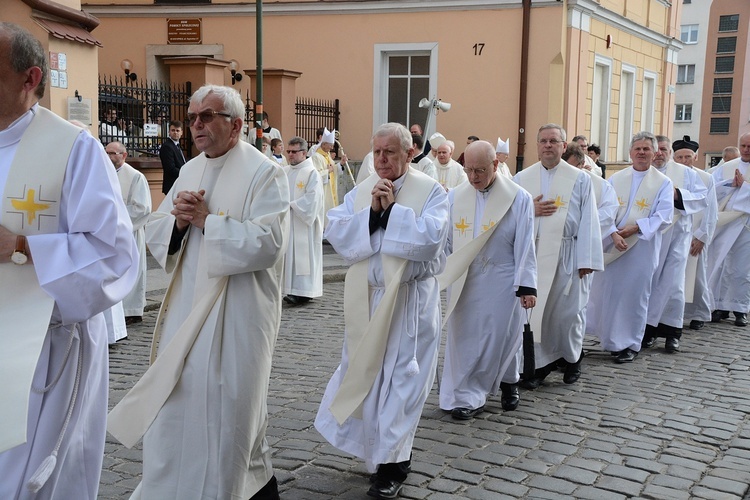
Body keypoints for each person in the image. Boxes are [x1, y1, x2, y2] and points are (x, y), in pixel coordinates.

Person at [107, 84, 289, 499]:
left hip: (238, 315)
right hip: (189, 311)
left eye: (206, 116)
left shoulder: (265, 173)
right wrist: (180, 223)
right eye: (192, 117)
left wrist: (209, 221)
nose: (196, 125)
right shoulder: (189, 170)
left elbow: (269, 243)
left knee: (233, 414)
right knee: (178, 406)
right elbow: (157, 227)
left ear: (237, 124)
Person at [0, 22, 138, 498]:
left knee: (39, 479)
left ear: (29, 78)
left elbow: (114, 253)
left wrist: (22, 247)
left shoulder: (72, 149)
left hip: (46, 346)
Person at [315, 123, 449, 499]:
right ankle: (380, 453)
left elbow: (430, 241)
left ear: (409, 154)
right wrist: (371, 214)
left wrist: (391, 213)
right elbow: (337, 230)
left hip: (409, 305)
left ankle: (392, 466)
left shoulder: (432, 192)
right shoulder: (362, 191)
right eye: (376, 152)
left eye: (389, 152)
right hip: (368, 301)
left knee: (403, 384)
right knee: (369, 378)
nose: (381, 160)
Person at [438, 140, 536, 419]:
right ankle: (468, 395)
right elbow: (446, 241)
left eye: (480, 170)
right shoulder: (455, 197)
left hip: (503, 278)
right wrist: (443, 270)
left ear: (495, 165)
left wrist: (526, 284)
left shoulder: (518, 197)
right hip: (465, 280)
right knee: (465, 338)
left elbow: (525, 245)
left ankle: (509, 382)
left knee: (501, 336)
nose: (473, 177)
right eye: (468, 170)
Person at [513, 124, 602, 388]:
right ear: (537, 145)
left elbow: (589, 220)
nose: (548, 145)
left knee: (569, 313)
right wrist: (531, 209)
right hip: (535, 254)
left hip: (568, 254)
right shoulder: (521, 178)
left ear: (564, 146)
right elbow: (510, 213)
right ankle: (539, 364)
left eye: (554, 141)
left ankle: (573, 359)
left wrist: (587, 259)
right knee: (539, 314)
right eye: (543, 141)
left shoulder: (581, 178)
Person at [587, 132, 673, 363]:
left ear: (655, 153)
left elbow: (664, 216)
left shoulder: (663, 183)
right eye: (638, 148)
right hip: (614, 244)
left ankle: (630, 343)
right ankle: (609, 339)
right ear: (630, 152)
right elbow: (606, 210)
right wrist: (613, 234)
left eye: (647, 149)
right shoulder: (617, 179)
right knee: (609, 292)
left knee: (635, 295)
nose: (642, 152)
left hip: (641, 248)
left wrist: (635, 229)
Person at [642, 136, 707, 353]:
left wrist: (678, 194)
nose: (659, 153)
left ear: (670, 151)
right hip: (649, 238)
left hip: (677, 237)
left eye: (663, 149)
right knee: (647, 284)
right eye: (656, 149)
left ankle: (671, 333)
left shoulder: (686, 173)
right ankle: (647, 332)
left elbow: (701, 197)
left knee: (674, 285)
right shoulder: (642, 173)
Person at [673, 136, 718, 331]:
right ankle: (674, 313)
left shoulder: (706, 178)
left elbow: (711, 210)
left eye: (688, 157)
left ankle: (699, 312)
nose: (684, 161)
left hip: (696, 234)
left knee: (697, 276)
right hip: (675, 233)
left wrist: (702, 236)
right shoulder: (670, 175)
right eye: (680, 157)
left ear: (696, 156)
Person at [106, 141, 152, 325]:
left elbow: (142, 208)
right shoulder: (102, 172)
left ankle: (132, 310)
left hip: (129, 232)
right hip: (108, 233)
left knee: (131, 271)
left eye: (113, 153)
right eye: (106, 152)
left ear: (123, 155)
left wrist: (116, 215)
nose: (109, 157)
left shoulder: (135, 177)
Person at [707, 132, 750, 327]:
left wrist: (745, 188)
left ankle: (740, 308)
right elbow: (711, 190)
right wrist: (730, 185)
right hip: (724, 223)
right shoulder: (726, 168)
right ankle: (719, 306)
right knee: (721, 265)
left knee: (741, 269)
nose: (746, 150)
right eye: (743, 146)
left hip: (745, 225)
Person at [282, 136, 324, 306]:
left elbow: (313, 200)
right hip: (288, 223)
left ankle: (305, 292)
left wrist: (292, 205)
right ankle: (291, 289)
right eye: (288, 151)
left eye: (294, 152)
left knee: (303, 257)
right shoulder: (284, 171)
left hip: (304, 224)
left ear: (304, 153)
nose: (290, 155)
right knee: (289, 256)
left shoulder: (312, 173)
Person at [562, 144, 618, 241]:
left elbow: (608, 213)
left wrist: (580, 224)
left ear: (582, 163)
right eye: (565, 168)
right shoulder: (556, 180)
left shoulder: (601, 186)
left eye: (573, 168)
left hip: (586, 239)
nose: (569, 172)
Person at [311, 127, 339, 222]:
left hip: (330, 188)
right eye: (330, 145)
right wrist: (327, 171)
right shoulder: (316, 157)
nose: (332, 148)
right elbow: (315, 175)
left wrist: (341, 164)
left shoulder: (327, 156)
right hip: (323, 189)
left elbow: (333, 169)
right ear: (323, 144)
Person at [159, 119, 186, 194]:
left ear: (181, 133)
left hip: (179, 185)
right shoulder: (167, 147)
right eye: (173, 130)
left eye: (177, 131)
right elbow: (170, 169)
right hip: (172, 186)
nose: (175, 133)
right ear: (169, 132)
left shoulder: (177, 146)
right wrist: (185, 173)